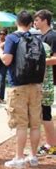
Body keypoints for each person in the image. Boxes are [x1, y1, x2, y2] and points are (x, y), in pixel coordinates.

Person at [0, 11, 45, 169]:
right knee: (36, 124)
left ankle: (19, 158)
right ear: (31, 23)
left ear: (17, 22)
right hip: (36, 86)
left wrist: (0, 49)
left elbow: (7, 60)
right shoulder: (36, 38)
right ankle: (33, 156)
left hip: (18, 86)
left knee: (22, 124)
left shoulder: (12, 38)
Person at [34, 9, 56, 156]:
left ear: (44, 20)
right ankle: (51, 143)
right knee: (43, 114)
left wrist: (36, 61)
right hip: (41, 81)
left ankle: (52, 145)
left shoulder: (52, 36)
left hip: (48, 82)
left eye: (37, 19)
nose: (35, 22)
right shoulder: (41, 37)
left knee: (45, 114)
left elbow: (55, 59)